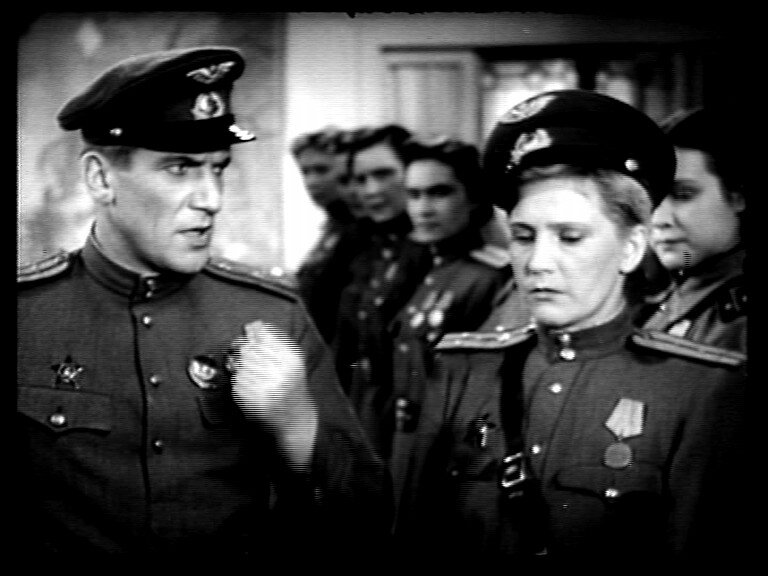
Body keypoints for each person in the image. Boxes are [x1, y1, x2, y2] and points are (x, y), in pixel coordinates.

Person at [16, 46, 391, 562]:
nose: (211, 199)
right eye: (180, 169)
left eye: (218, 169)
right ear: (101, 179)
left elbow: (367, 519)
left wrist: (298, 426)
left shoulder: (271, 315)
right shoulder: (28, 312)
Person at [395, 90, 747, 565]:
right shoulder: (461, 371)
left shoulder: (700, 389)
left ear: (631, 248)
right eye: (523, 236)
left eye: (571, 237)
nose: (538, 262)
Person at [387, 137, 511, 509]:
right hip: (408, 442)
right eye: (414, 195)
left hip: (450, 451)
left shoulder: (488, 277)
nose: (423, 208)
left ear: (473, 198)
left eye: (439, 193)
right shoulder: (431, 269)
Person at [639, 108, 747, 353]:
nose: (659, 219)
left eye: (683, 195)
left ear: (737, 197)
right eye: (652, 198)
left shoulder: (737, 319)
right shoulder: (665, 300)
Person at [292, 126, 364, 343]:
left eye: (321, 170)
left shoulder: (361, 232)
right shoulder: (334, 227)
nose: (311, 182)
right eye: (305, 172)